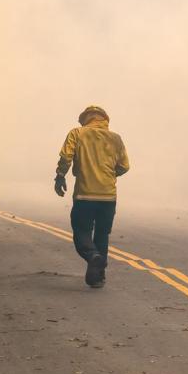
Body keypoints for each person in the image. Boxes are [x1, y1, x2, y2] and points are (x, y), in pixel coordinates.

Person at [53, 105, 130, 288]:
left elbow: (66, 157)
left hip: (84, 195)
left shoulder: (77, 133)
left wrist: (60, 176)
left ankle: (92, 256)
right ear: (104, 119)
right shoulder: (116, 138)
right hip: (108, 197)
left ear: (85, 119)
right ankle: (98, 277)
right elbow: (124, 166)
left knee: (82, 232)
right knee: (102, 235)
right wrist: (109, 175)